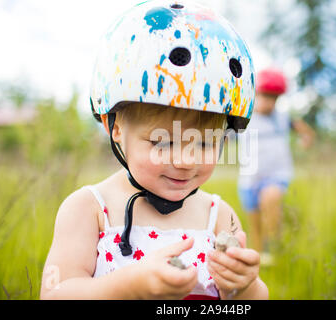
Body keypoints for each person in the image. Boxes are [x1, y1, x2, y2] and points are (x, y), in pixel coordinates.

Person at [40, 1, 268, 300]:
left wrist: (244, 285)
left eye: (205, 143)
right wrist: (131, 284)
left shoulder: (220, 216)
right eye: (163, 142)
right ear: (115, 125)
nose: (186, 161)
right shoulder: (90, 209)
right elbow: (54, 294)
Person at [237, 68, 315, 264]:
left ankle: (274, 246)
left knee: (270, 198)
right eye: (265, 96)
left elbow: (304, 130)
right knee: (254, 226)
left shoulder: (282, 118)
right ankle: (259, 255)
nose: (269, 103)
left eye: (274, 98)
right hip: (249, 178)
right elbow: (223, 136)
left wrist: (306, 139)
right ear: (255, 94)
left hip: (276, 174)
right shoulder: (242, 117)